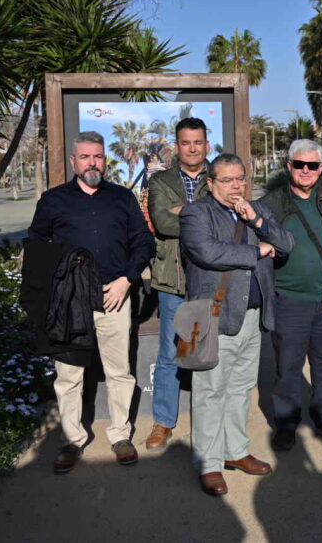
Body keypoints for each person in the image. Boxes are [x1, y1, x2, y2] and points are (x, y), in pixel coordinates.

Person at [27, 131, 154, 473]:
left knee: (119, 372)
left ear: (104, 160)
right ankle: (72, 440)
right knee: (68, 375)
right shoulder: (53, 201)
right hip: (70, 300)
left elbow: (143, 241)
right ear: (74, 161)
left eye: (97, 156)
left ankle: (120, 435)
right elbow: (36, 247)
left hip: (115, 294)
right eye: (85, 157)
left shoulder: (122, 198)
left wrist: (127, 279)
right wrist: (52, 289)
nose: (92, 163)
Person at [180, 153, 294, 496]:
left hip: (253, 316)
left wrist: (256, 220)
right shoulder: (196, 213)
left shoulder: (257, 209)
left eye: (240, 178)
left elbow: (286, 244)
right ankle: (209, 463)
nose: (236, 186)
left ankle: (235, 450)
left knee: (240, 388)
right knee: (209, 392)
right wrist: (258, 251)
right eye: (227, 180)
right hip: (212, 315)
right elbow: (208, 252)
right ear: (211, 183)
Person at [260, 139, 322, 451]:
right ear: (289, 166)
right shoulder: (272, 203)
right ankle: (286, 424)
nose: (306, 170)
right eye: (299, 164)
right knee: (288, 366)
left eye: (313, 165)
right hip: (288, 298)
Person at [143, 117, 211, 451]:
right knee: (170, 353)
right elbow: (163, 223)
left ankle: (209, 421)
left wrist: (183, 211)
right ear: (177, 146)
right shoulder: (160, 180)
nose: (192, 149)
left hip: (210, 278)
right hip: (173, 279)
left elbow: (225, 221)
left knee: (208, 351)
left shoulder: (219, 176)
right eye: (186, 143)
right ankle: (163, 422)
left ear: (206, 145)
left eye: (198, 142)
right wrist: (202, 216)